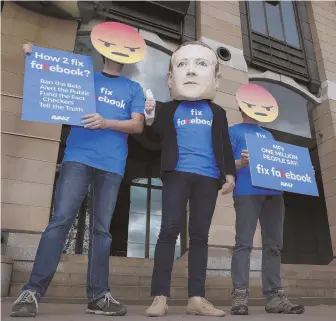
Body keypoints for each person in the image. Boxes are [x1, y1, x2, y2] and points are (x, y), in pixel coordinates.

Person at [11, 23, 146, 318]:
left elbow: (137, 125)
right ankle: (32, 291)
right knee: (60, 221)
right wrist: (33, 57)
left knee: (102, 231)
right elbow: (52, 76)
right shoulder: (85, 78)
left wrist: (106, 122)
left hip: (112, 164)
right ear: (103, 49)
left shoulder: (133, 88)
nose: (118, 52)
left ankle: (98, 297)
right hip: (78, 157)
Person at [144, 41, 236, 317]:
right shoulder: (169, 109)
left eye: (200, 65)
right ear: (171, 78)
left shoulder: (218, 112)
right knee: (169, 230)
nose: (192, 72)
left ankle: (197, 298)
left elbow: (224, 145)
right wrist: (149, 115)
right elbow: (152, 137)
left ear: (215, 78)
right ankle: (159, 296)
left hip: (208, 178)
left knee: (199, 237)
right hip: (177, 173)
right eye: (183, 65)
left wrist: (229, 174)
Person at [229, 84, 305, 315]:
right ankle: (239, 295)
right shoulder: (233, 132)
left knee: (274, 245)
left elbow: (277, 163)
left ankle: (274, 297)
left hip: (273, 193)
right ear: (243, 105)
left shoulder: (269, 134)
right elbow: (222, 164)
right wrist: (241, 163)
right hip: (246, 191)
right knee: (244, 243)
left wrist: (301, 169)